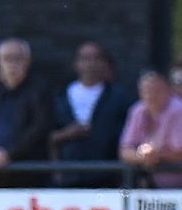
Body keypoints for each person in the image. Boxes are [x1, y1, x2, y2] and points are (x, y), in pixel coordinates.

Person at [51, 41, 134, 188]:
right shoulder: (60, 97)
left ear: (104, 63)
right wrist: (67, 134)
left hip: (107, 178)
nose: (91, 64)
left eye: (96, 58)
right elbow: (48, 137)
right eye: (85, 58)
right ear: (76, 64)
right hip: (68, 178)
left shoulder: (119, 98)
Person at [0, 38, 53, 188]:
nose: (12, 64)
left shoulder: (39, 92)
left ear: (28, 61)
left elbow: (39, 128)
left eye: (17, 58)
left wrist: (9, 154)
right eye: (7, 59)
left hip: (28, 176)